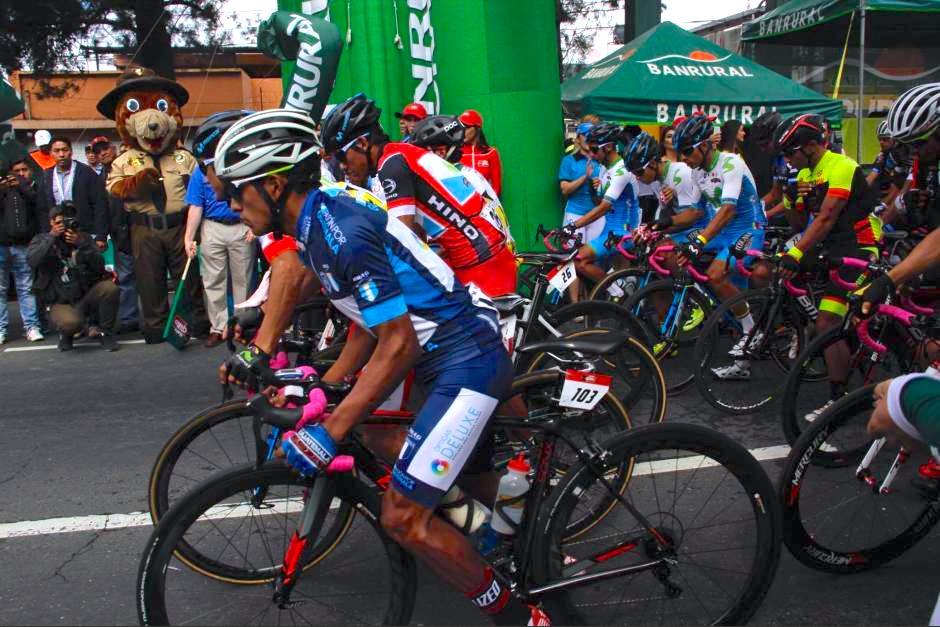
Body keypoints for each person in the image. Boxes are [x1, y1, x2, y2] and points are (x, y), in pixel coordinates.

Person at [213, 108, 550, 626]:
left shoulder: (337, 230)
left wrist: (330, 430)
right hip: (443, 355)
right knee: (379, 433)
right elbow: (367, 327)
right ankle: (500, 536)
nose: (231, 203)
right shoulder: (315, 226)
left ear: (275, 184)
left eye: (239, 190)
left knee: (401, 516)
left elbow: (397, 345)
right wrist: (325, 388)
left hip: (465, 358)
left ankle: (523, 619)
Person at [321, 93, 517, 298]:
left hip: (482, 266)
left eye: (340, 156)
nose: (341, 166)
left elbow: (400, 238)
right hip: (481, 258)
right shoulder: (400, 154)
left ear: (362, 143)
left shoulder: (392, 163)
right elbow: (415, 234)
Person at [773, 113, 880, 419]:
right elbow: (798, 221)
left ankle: (839, 398)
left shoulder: (841, 165)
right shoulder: (807, 174)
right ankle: (806, 333)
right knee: (783, 274)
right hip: (831, 248)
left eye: (789, 153)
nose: (787, 160)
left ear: (808, 146)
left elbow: (827, 217)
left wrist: (797, 252)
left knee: (827, 322)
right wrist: (793, 200)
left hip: (859, 249)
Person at [673, 114, 766, 378]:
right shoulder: (696, 171)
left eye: (687, 152)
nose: (683, 159)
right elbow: (694, 213)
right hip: (723, 231)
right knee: (672, 250)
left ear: (705, 146)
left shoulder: (731, 163)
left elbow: (727, 209)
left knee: (715, 274)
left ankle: (752, 332)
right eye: (680, 153)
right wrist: (662, 225)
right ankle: (741, 363)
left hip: (749, 228)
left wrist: (700, 241)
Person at [185, 110, 256, 348]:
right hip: (212, 227)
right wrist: (189, 238)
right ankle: (218, 326)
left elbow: (253, 196)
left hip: (241, 225)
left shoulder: (238, 163)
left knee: (243, 279)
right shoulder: (200, 170)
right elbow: (196, 206)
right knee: (212, 280)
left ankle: (242, 324)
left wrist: (254, 227)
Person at [27, 202, 120, 351]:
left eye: (67, 221)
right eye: (59, 223)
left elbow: (99, 265)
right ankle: (67, 334)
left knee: (110, 288)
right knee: (72, 322)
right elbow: (32, 260)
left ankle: (105, 333)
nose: (64, 227)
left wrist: (82, 244)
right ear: (51, 222)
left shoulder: (82, 238)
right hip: (61, 300)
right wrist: (52, 237)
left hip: (85, 294)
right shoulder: (41, 239)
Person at [566, 123, 640, 295]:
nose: (591, 154)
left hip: (624, 232)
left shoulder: (622, 169)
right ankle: (623, 289)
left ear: (608, 147)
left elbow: (604, 206)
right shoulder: (604, 168)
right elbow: (599, 200)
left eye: (594, 149)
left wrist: (573, 226)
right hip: (609, 229)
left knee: (580, 260)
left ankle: (618, 292)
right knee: (584, 262)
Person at [92, 135, 138, 331]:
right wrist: (102, 235)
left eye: (105, 148)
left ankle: (159, 317)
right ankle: (129, 319)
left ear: (113, 148)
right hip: (119, 235)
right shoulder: (98, 178)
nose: (103, 153)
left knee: (151, 276)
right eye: (98, 151)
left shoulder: (131, 165)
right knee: (125, 277)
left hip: (140, 228)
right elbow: (101, 209)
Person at [36, 136, 109, 251]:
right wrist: (48, 233)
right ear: (50, 153)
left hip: (84, 232)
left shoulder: (86, 173)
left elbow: (100, 205)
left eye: (65, 150)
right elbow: (42, 208)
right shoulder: (46, 176)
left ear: (71, 151)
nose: (61, 155)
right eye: (57, 151)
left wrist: (101, 236)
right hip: (58, 234)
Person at [0, 158, 45, 344]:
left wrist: (21, 187)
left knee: (26, 287)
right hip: (2, 245)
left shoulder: (32, 188)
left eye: (24, 170)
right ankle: (1, 329)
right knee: (0, 289)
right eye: (16, 171)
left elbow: (39, 206)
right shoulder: (3, 188)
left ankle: (31, 327)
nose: (20, 174)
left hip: (24, 244)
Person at [558, 121, 603, 245]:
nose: (588, 138)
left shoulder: (601, 160)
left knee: (597, 257)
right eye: (585, 135)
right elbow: (565, 189)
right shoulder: (569, 161)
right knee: (574, 256)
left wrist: (601, 185)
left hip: (597, 215)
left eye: (591, 135)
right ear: (578, 138)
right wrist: (585, 177)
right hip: (575, 213)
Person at [458, 109, 502, 197]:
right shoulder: (455, 151)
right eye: (461, 127)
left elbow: (496, 187)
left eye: (467, 127)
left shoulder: (491, 153)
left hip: (485, 206)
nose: (463, 131)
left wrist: (487, 204)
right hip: (461, 205)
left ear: (477, 129)